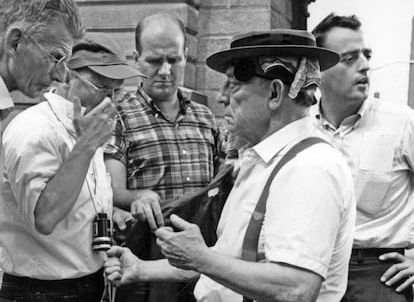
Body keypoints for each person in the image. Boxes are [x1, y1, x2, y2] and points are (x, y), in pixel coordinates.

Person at [104, 29, 356, 302]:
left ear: (274, 92)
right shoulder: (261, 162)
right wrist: (142, 268)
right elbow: (227, 260)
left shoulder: (309, 168)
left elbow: (296, 288)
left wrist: (201, 259)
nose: (222, 98)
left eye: (233, 85)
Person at [0, 33, 142, 302]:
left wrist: (106, 211)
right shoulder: (34, 129)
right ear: (68, 75)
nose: (111, 101)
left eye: (117, 91)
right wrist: (87, 146)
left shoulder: (86, 123)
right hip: (39, 292)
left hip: (88, 283)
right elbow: (44, 217)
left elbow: (71, 194)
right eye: (102, 87)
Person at [104, 13, 220, 302]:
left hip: (204, 261)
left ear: (186, 57)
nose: (166, 70)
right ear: (136, 59)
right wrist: (137, 197)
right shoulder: (118, 116)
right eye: (155, 61)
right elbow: (110, 191)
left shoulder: (205, 117)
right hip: (144, 263)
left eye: (174, 59)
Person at [312, 13, 414, 301]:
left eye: (366, 55)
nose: (366, 66)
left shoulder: (402, 123)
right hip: (313, 270)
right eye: (350, 58)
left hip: (378, 275)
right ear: (319, 69)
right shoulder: (302, 129)